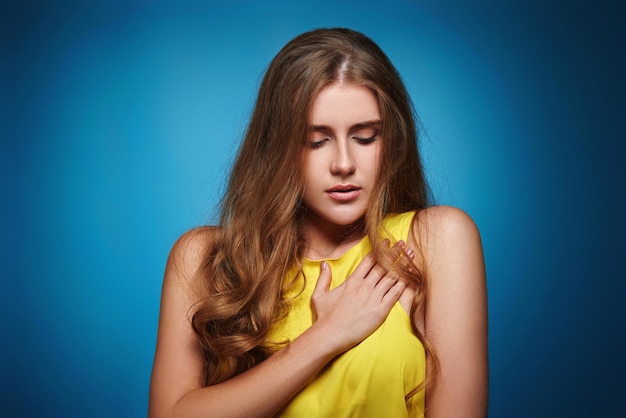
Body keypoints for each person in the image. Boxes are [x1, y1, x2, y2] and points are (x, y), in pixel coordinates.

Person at [148, 27, 488, 417]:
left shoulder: (436, 241)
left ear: (391, 141)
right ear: (276, 147)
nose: (343, 164)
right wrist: (324, 336)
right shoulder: (205, 258)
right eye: (316, 140)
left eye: (364, 138)